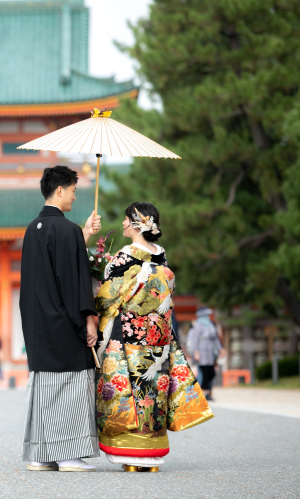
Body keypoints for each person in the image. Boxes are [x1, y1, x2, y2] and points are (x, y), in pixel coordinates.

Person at [95, 202, 214, 472]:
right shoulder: (161, 256)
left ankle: (131, 456)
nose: (123, 224)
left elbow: (108, 296)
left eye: (126, 220)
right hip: (159, 336)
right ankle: (153, 455)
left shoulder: (127, 255)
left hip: (128, 334)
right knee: (154, 390)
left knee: (128, 390)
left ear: (137, 224)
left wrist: (100, 274)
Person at [19, 165, 101, 472]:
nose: (75, 198)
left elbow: (52, 266)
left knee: (44, 389)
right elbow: (74, 280)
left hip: (38, 324)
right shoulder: (66, 231)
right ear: (61, 190)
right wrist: (88, 320)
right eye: (74, 191)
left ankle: (41, 454)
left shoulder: (32, 229)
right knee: (71, 386)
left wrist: (86, 234)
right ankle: (68, 455)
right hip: (64, 324)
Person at [187, 308, 223, 402]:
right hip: (201, 352)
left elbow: (215, 338)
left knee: (211, 372)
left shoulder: (210, 325)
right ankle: (205, 393)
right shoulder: (198, 326)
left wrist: (220, 349)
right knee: (204, 373)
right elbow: (195, 340)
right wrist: (196, 352)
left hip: (210, 352)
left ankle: (204, 391)